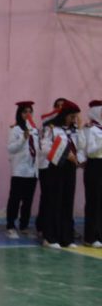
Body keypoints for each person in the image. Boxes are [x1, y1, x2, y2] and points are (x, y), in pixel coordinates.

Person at [39, 100, 85, 248]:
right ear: (64, 115)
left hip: (70, 169)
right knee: (54, 201)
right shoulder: (52, 128)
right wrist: (66, 155)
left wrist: (79, 159)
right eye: (71, 116)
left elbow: (81, 147)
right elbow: (45, 148)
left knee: (67, 201)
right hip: (56, 168)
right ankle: (50, 238)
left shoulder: (75, 130)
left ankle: (67, 238)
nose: (73, 119)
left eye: (75, 117)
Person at [5, 101, 39, 238]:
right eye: (25, 112)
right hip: (19, 171)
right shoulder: (15, 129)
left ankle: (24, 225)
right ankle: (10, 226)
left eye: (30, 112)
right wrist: (23, 139)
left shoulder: (35, 130)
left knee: (28, 201)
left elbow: (37, 149)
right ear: (20, 114)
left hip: (32, 171)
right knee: (15, 199)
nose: (28, 114)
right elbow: (11, 149)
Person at [35, 97, 66, 237]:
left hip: (60, 167)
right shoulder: (47, 125)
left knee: (61, 198)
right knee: (47, 197)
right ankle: (42, 226)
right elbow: (43, 147)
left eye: (63, 106)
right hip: (46, 166)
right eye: (57, 106)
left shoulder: (67, 127)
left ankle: (59, 227)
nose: (60, 108)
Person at [84, 100, 102, 247]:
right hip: (94, 165)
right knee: (94, 201)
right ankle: (91, 236)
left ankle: (100, 235)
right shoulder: (91, 129)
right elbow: (89, 151)